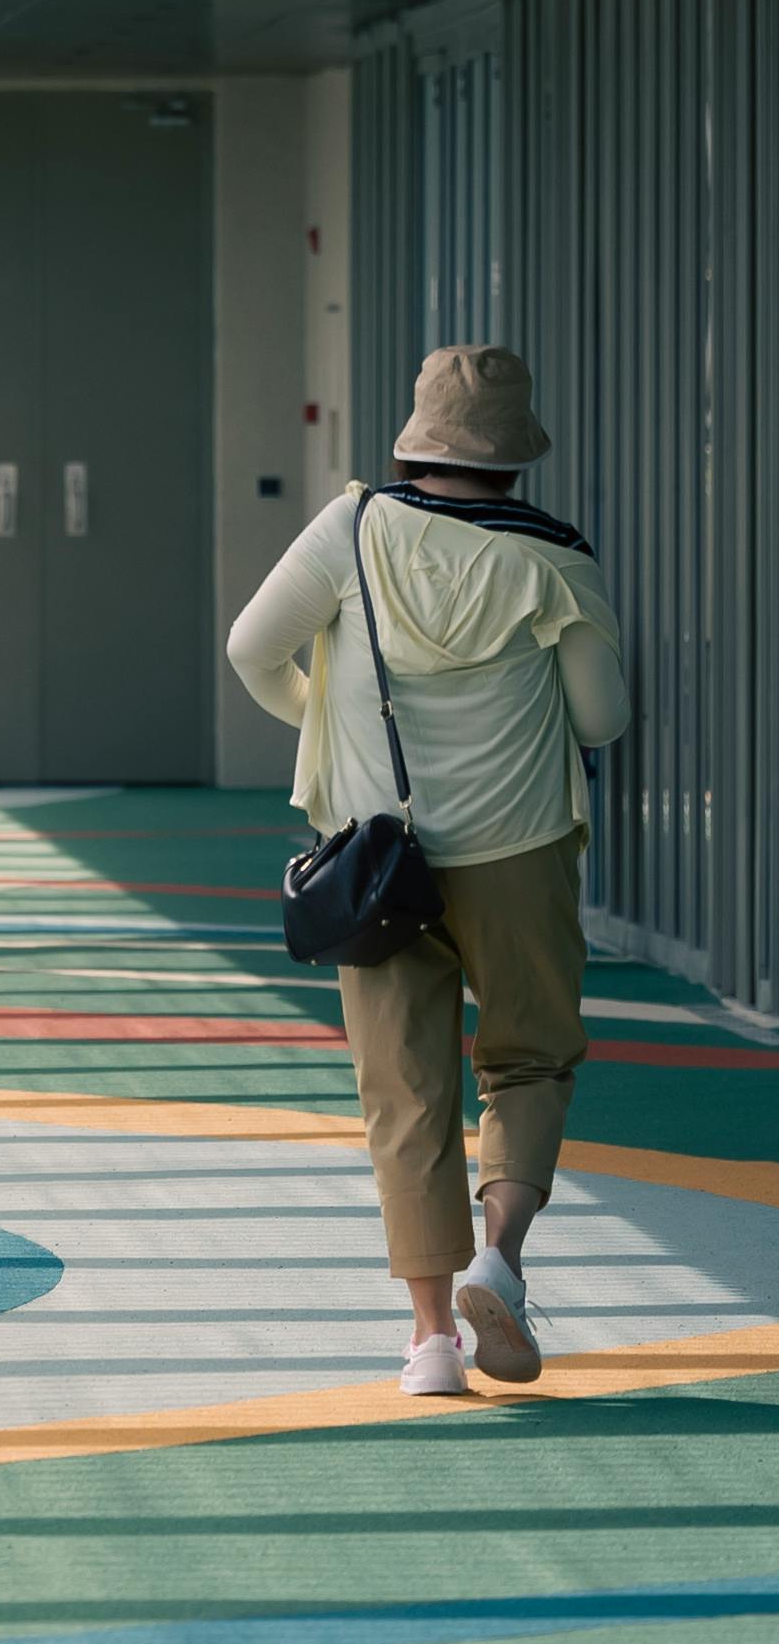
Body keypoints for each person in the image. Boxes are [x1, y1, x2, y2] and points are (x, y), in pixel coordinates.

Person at [227, 344, 630, 1400]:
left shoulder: (348, 531)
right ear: (513, 453)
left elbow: (249, 649)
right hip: (520, 851)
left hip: (375, 865)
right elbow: (602, 718)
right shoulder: (556, 558)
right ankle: (500, 1259)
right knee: (528, 1061)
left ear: (419, 437)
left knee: (405, 1093)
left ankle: (427, 1345)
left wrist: (326, 718)